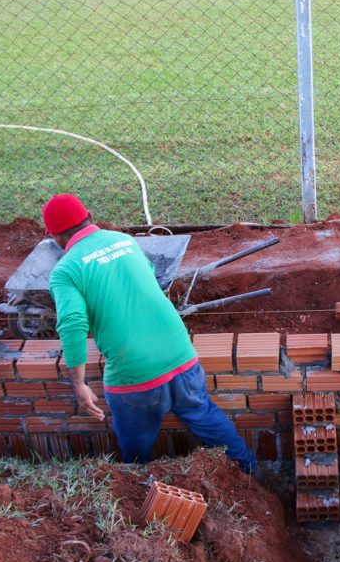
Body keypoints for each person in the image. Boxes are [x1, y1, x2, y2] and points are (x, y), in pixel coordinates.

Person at [42, 193, 257, 472]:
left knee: (136, 449)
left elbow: (72, 322)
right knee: (205, 415)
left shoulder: (65, 271)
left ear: (55, 237)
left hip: (135, 376)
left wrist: (79, 383)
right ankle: (251, 472)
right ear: (91, 217)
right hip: (181, 356)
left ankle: (140, 487)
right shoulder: (124, 240)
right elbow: (150, 271)